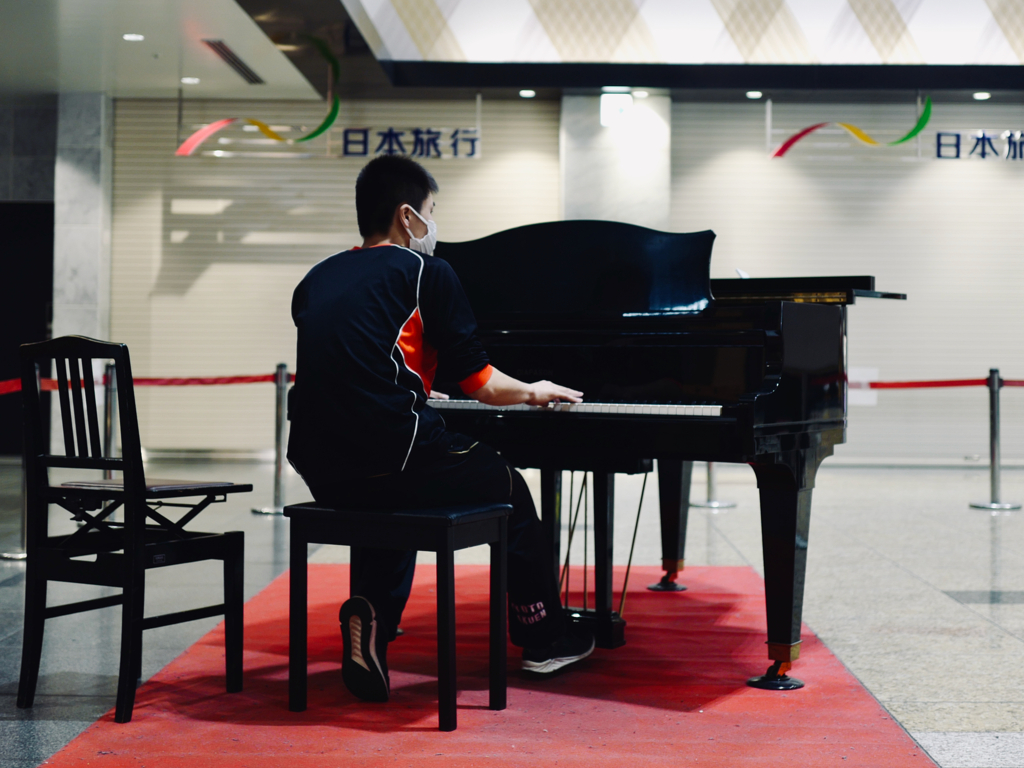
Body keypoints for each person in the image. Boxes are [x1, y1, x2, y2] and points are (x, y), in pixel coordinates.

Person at [287, 154, 595, 703]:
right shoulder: (425, 272)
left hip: (323, 468)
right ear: (408, 216)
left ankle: (373, 620)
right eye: (431, 211)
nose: (433, 225)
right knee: (507, 485)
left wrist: (421, 387)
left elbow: (357, 364)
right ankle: (545, 636)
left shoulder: (317, 277)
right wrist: (533, 389)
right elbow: (481, 383)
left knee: (393, 498)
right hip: (392, 451)